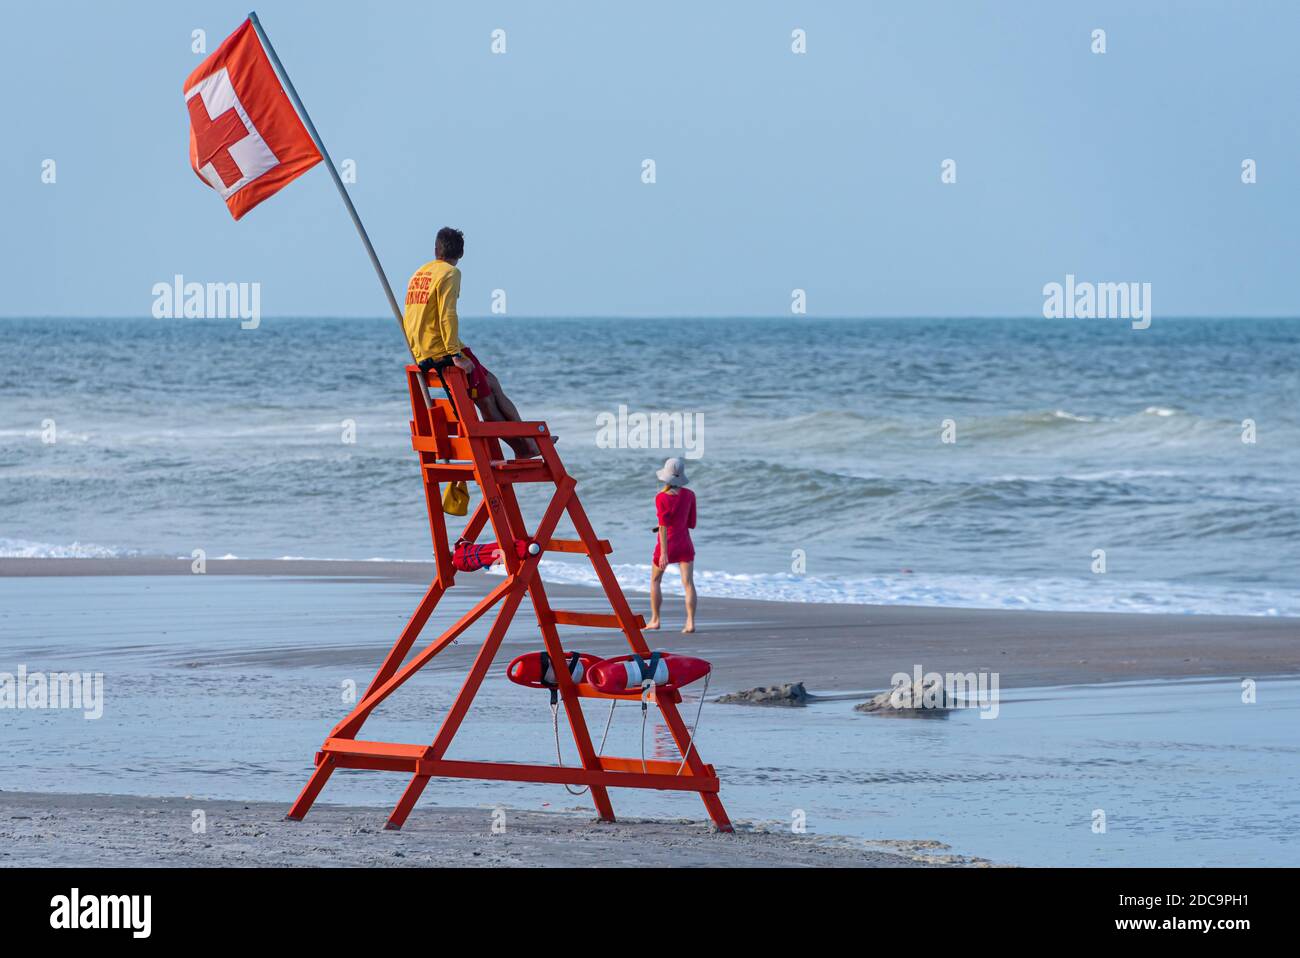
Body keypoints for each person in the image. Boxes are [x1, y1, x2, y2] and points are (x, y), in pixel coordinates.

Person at [401, 227, 538, 457]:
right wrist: (455, 356)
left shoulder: (419, 273)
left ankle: (527, 442)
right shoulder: (450, 273)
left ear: (436, 249)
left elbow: (411, 315)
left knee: (492, 383)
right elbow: (448, 314)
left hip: (425, 350)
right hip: (444, 351)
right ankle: (523, 448)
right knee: (486, 402)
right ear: (461, 254)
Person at [646, 457, 698, 634]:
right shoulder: (690, 495)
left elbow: (663, 526)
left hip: (666, 545)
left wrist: (664, 554)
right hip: (685, 544)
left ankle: (655, 619)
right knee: (688, 583)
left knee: (655, 580)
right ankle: (690, 623)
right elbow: (691, 523)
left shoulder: (661, 497)